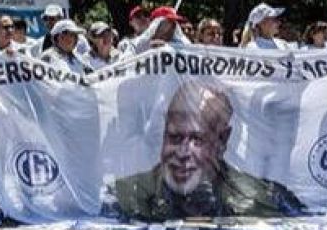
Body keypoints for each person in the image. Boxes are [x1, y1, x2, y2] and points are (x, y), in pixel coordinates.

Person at [109, 82, 305, 221]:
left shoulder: (259, 199)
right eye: (175, 138)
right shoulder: (128, 195)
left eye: (197, 139)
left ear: (222, 140)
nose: (182, 153)